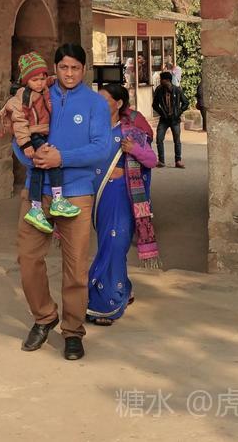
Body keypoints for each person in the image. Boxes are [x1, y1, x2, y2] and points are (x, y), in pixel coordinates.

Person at [15, 43, 111, 362]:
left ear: (84, 69)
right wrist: (32, 158)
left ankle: (72, 331)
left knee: (76, 267)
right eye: (64, 67)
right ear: (55, 68)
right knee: (28, 258)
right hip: (37, 192)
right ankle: (44, 316)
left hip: (76, 193)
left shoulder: (95, 104)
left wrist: (62, 158)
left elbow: (101, 147)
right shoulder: (37, 95)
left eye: (75, 68)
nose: (69, 74)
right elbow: (18, 135)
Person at [87, 83, 159, 326]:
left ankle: (106, 304)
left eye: (104, 100)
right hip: (99, 197)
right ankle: (124, 288)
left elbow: (151, 160)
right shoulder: (92, 131)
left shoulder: (131, 131)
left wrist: (134, 149)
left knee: (115, 245)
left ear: (118, 104)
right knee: (108, 245)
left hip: (121, 197)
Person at [0, 51, 80, 233]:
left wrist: (60, 76)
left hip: (41, 133)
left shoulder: (42, 88)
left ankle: (35, 208)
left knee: (38, 170)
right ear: (26, 80)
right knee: (52, 160)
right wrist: (26, 145)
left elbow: (51, 79)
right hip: (33, 136)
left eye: (42, 79)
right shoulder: (23, 98)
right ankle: (57, 200)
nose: (40, 83)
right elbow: (19, 122)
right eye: (35, 80)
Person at [152, 70, 187, 168]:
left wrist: (179, 112)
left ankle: (178, 161)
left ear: (167, 80)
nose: (160, 81)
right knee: (159, 139)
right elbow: (154, 105)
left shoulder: (177, 90)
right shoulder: (159, 90)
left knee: (177, 140)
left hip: (175, 119)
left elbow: (186, 102)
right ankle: (161, 161)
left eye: (162, 79)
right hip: (164, 119)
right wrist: (161, 112)